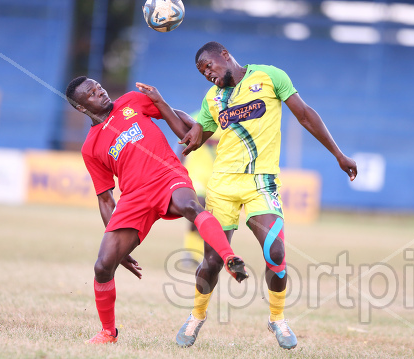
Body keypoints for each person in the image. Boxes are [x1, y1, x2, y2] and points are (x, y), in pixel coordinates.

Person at [137, 42, 357, 350]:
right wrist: (160, 103)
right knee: (212, 260)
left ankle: (277, 319)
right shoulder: (213, 98)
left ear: (224, 54)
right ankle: (196, 316)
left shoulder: (270, 76)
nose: (208, 74)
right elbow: (192, 137)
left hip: (261, 183)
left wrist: (339, 154)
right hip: (222, 185)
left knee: (276, 253)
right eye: (202, 73)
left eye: (208, 66)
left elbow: (305, 115)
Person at [64, 76, 249, 345]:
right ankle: (108, 332)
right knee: (103, 266)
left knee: (190, 206)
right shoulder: (90, 148)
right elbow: (105, 198)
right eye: (91, 93)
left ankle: (230, 258)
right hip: (134, 197)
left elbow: (172, 113)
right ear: (82, 107)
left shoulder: (131, 101)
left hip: (167, 174)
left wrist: (194, 129)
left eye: (99, 87)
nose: (100, 92)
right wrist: (116, 243)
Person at [179, 112, 221, 265]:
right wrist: (178, 169)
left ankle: (202, 255)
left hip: (217, 177)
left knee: (212, 217)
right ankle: (190, 253)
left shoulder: (229, 122)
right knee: (198, 208)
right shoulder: (195, 119)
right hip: (196, 173)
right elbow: (183, 145)